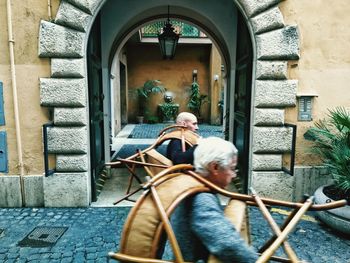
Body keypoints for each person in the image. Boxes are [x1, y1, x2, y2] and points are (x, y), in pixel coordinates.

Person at [163, 137, 258, 263]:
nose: (234, 175)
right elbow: (227, 244)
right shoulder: (202, 197)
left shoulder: (193, 183)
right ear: (215, 167)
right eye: (232, 168)